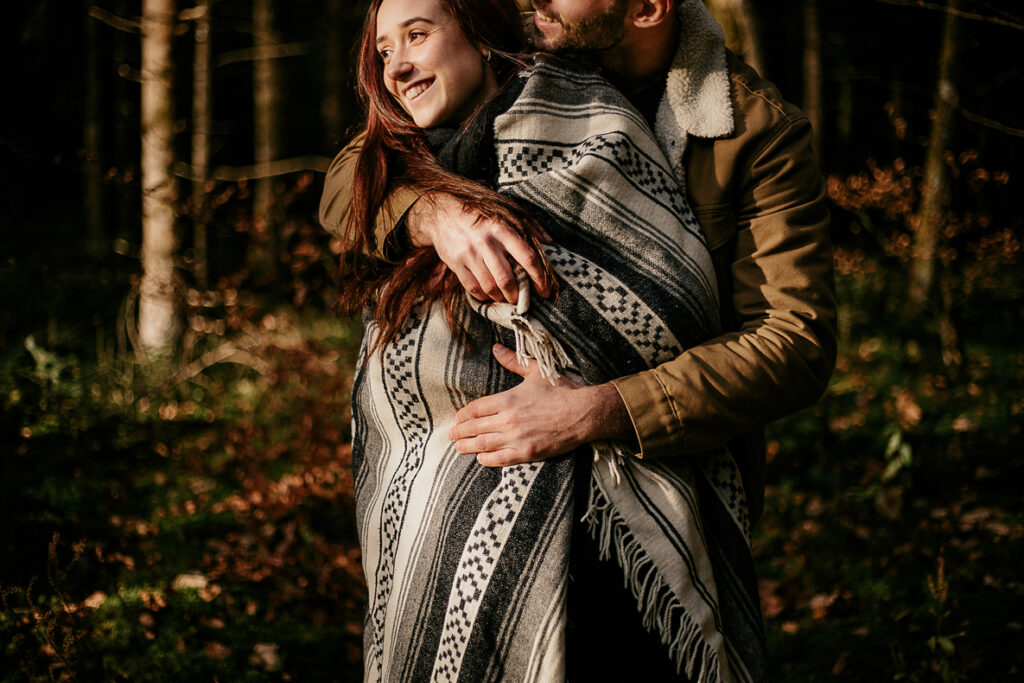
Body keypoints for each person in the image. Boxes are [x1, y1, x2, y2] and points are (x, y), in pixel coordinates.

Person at [327, 0, 767, 680]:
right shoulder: (405, 157)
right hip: (437, 521)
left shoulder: (615, 121)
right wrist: (435, 213)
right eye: (384, 50)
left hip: (611, 517)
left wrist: (596, 409)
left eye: (417, 34)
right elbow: (343, 184)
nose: (398, 65)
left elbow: (710, 318)